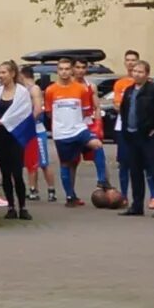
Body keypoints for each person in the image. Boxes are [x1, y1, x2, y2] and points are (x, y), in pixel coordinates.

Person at [114, 56, 154, 218]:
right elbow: (124, 111)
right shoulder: (129, 91)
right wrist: (126, 130)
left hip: (150, 137)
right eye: (135, 71)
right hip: (132, 136)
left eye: (140, 71)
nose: (137, 74)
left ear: (147, 74)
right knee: (135, 172)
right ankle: (137, 205)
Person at [43, 58, 100, 206]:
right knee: (67, 164)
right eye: (61, 69)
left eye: (67, 69)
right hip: (61, 133)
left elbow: (86, 110)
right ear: (57, 71)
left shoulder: (80, 89)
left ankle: (102, 180)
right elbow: (49, 113)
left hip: (79, 129)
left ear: (71, 70)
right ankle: (70, 196)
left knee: (97, 145)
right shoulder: (50, 90)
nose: (64, 72)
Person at [0, 61, 37, 222]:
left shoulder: (22, 92)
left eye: (4, 72)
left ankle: (22, 206)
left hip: (15, 135)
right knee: (5, 173)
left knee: (17, 172)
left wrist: (4, 121)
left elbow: (23, 113)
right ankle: (10, 206)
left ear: (12, 74)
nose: (1, 76)